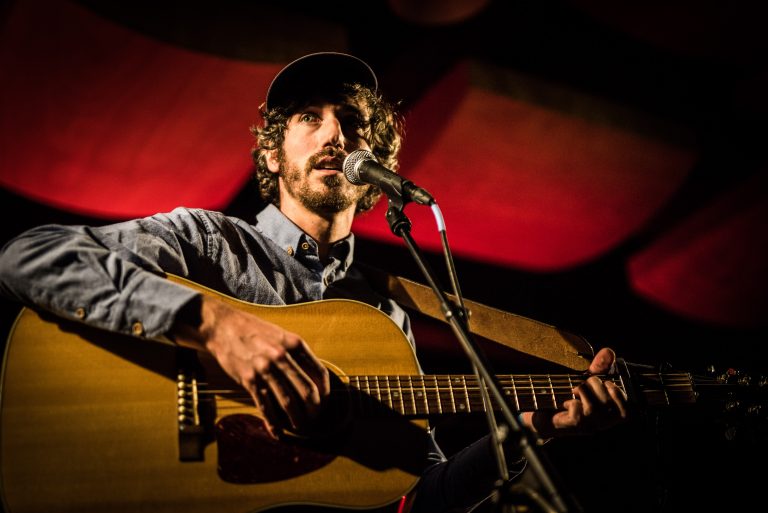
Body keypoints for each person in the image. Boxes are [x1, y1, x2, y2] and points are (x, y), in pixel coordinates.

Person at [0, 52, 627, 512]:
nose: (335, 135)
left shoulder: (391, 318)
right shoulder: (209, 242)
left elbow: (421, 497)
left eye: (351, 122)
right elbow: (30, 256)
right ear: (273, 154)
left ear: (375, 159)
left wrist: (529, 434)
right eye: (309, 117)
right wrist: (216, 326)